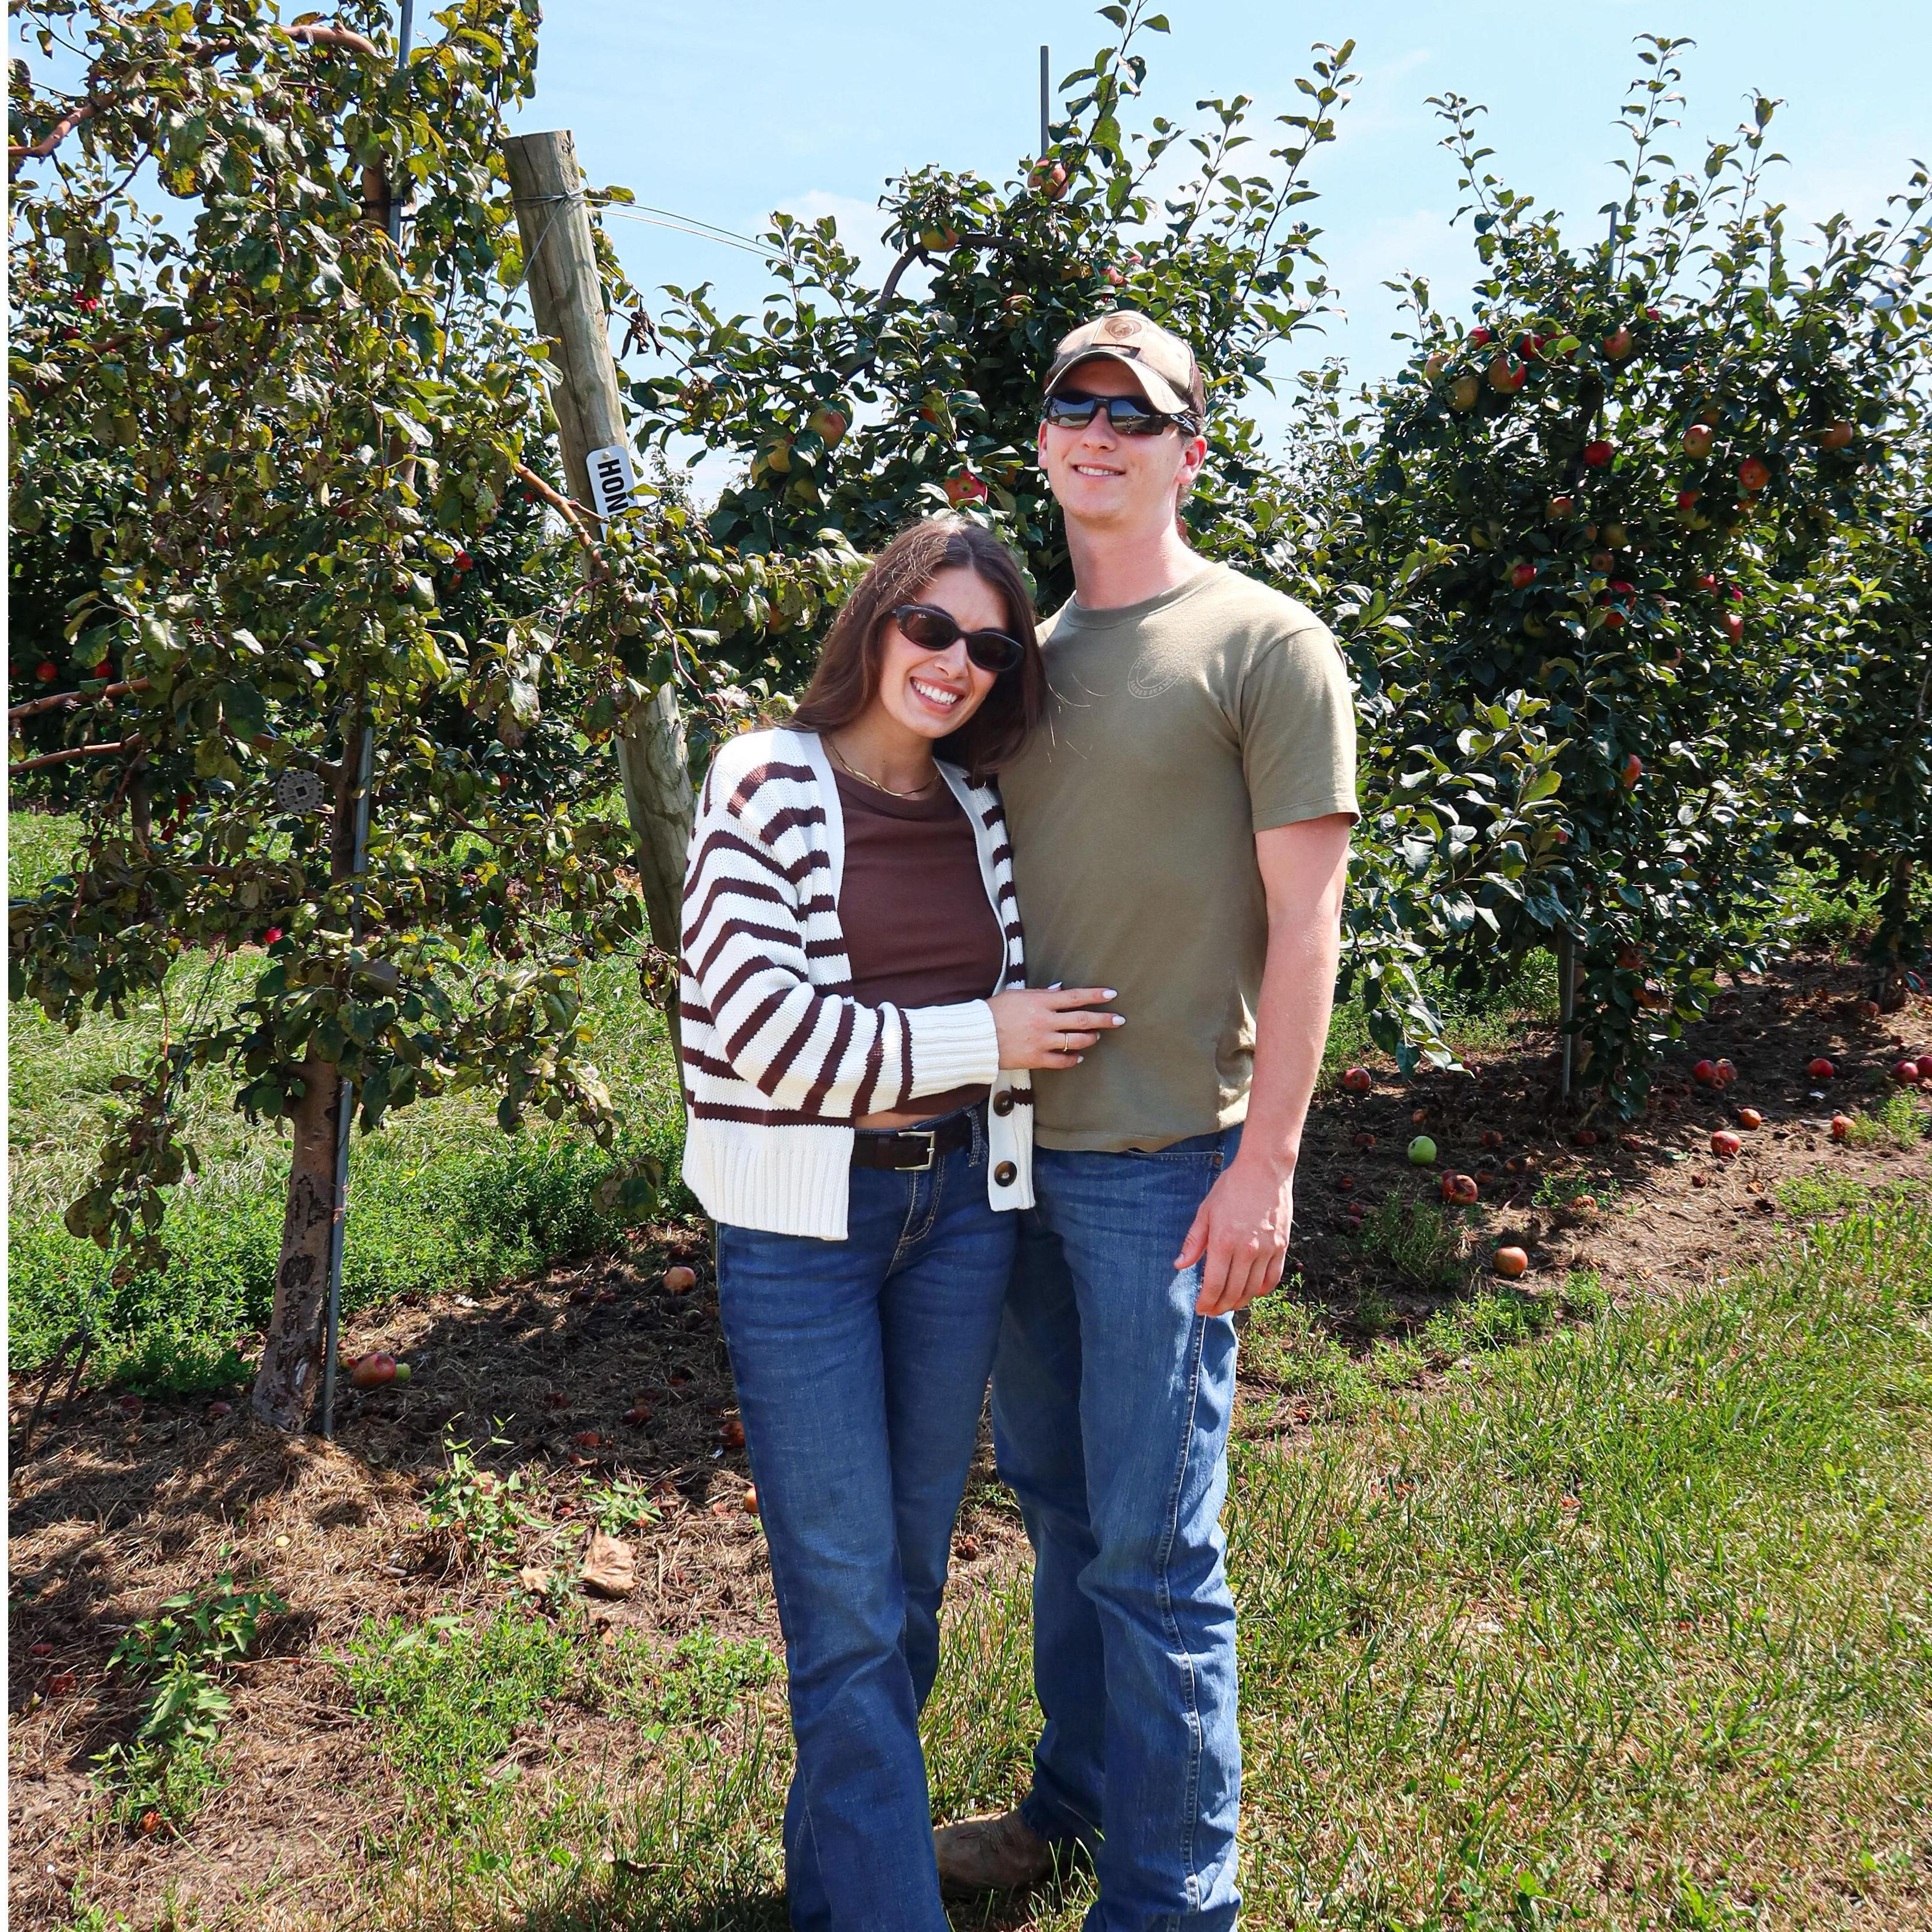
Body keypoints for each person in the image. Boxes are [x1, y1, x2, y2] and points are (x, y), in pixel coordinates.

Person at [932, 313, 1359, 1926]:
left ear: (1189, 446)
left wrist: (1266, 1163)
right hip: (1006, 1159)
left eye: (1137, 409)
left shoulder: (1261, 644)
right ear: (1038, 442)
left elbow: (1304, 924)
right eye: (1071, 403)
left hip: (1166, 1163)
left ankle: (1177, 1896)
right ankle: (1080, 1795)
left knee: (1157, 1549)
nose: (1097, 429)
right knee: (1055, 1507)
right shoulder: (1008, 662)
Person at [678, 513, 1124, 1931]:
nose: (955, 660)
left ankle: (840, 1879)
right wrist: (982, 1035)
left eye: (990, 646)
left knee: (910, 1575)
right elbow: (755, 1036)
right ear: (875, 620)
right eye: (929, 625)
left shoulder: (979, 811)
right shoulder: (764, 776)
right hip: (806, 1231)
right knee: (844, 1595)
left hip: (957, 1216)